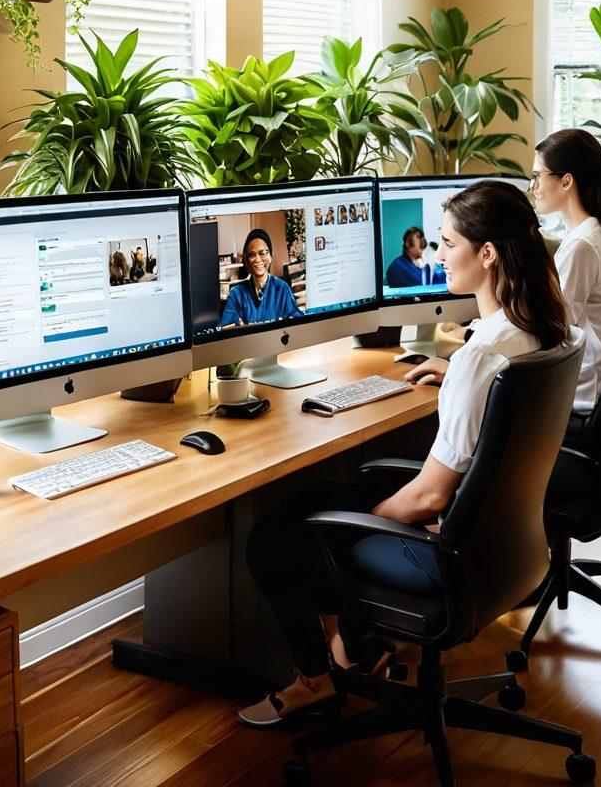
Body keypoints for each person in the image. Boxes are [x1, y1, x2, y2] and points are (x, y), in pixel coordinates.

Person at [239, 181, 569, 728]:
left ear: (487, 254)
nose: (438, 255)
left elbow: (431, 496)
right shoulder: (541, 331)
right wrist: (456, 373)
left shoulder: (482, 357)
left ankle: (316, 681)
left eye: (448, 244)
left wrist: (370, 520)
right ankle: (358, 649)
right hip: (506, 547)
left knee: (271, 543)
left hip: (448, 552)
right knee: (312, 497)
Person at [532, 128, 601, 417]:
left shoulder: (582, 245)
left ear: (566, 181)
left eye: (537, 176)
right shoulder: (597, 231)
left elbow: (554, 329)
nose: (534, 187)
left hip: (589, 392)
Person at [218, 228, 303, 327]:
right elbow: (225, 328)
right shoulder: (237, 294)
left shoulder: (281, 288)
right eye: (252, 255)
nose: (258, 259)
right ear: (247, 260)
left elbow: (297, 323)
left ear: (270, 257)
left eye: (263, 253)